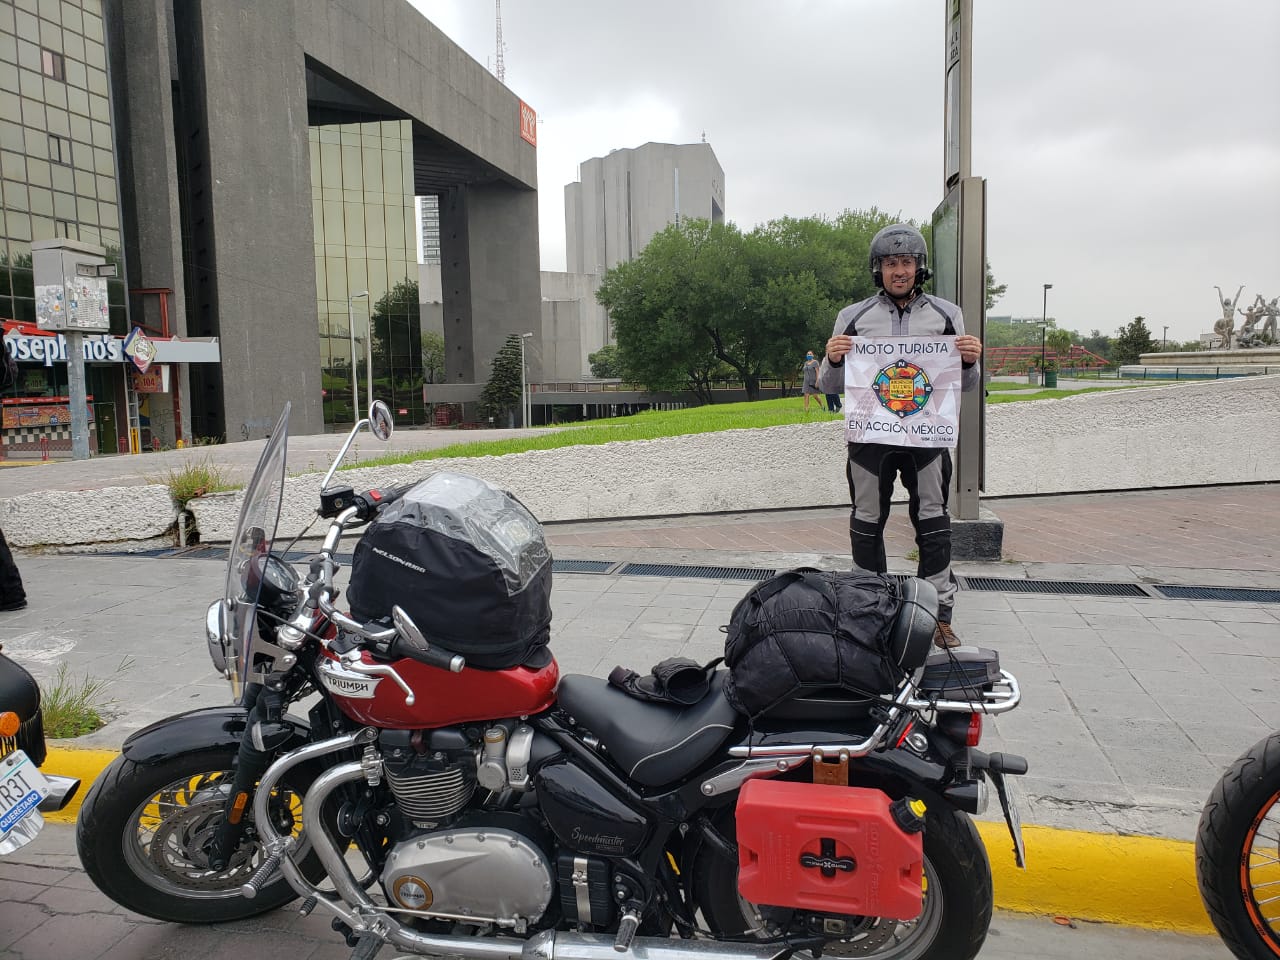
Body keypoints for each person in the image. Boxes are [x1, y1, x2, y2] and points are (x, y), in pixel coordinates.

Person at [816, 223, 982, 648]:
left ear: (919, 267)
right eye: (891, 264)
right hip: (870, 438)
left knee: (932, 520)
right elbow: (829, 386)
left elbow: (963, 385)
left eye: (907, 262)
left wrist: (967, 362)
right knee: (867, 520)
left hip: (925, 438)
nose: (900, 271)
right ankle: (867, 611)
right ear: (878, 270)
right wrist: (833, 360)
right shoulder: (852, 317)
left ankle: (937, 614)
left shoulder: (948, 315)